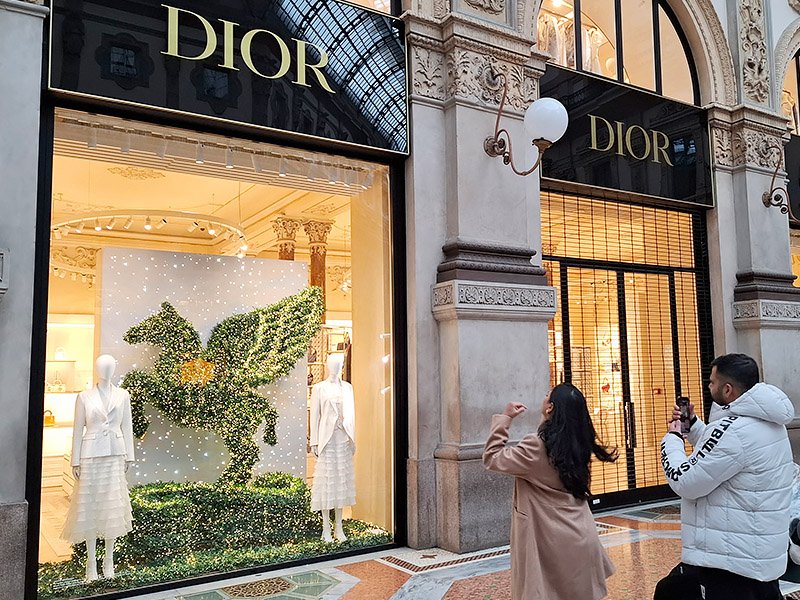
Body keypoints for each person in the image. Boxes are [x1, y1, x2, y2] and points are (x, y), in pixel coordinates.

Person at [655, 353, 795, 600]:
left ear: (728, 389)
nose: (708, 386)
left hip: (732, 562)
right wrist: (694, 426)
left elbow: (685, 481)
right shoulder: (766, 421)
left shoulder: (734, 430)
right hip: (757, 554)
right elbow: (725, 458)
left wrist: (673, 439)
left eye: (711, 382)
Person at [483, 383, 617, 600]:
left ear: (551, 408)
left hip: (552, 540)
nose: (544, 396)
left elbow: (492, 457)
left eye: (547, 395)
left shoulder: (536, 446)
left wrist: (505, 418)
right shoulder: (578, 443)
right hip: (581, 533)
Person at [62, 354, 135, 581]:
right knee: (90, 508)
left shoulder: (123, 395)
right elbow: (77, 430)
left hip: (115, 455)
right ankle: (90, 562)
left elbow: (127, 426)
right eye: (103, 366)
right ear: (96, 369)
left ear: (115, 369)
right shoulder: (84, 397)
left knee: (112, 508)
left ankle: (109, 561)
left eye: (110, 366)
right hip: (91, 456)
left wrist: (129, 456)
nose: (107, 370)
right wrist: (75, 460)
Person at [309, 353, 355, 542]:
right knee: (326, 484)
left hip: (343, 439)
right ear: (328, 365)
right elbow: (315, 416)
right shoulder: (319, 388)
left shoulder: (347, 388)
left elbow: (352, 415)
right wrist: (314, 441)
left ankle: (339, 526)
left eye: (340, 364)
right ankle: (326, 527)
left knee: (341, 483)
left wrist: (353, 439)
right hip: (327, 441)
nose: (337, 367)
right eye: (334, 364)